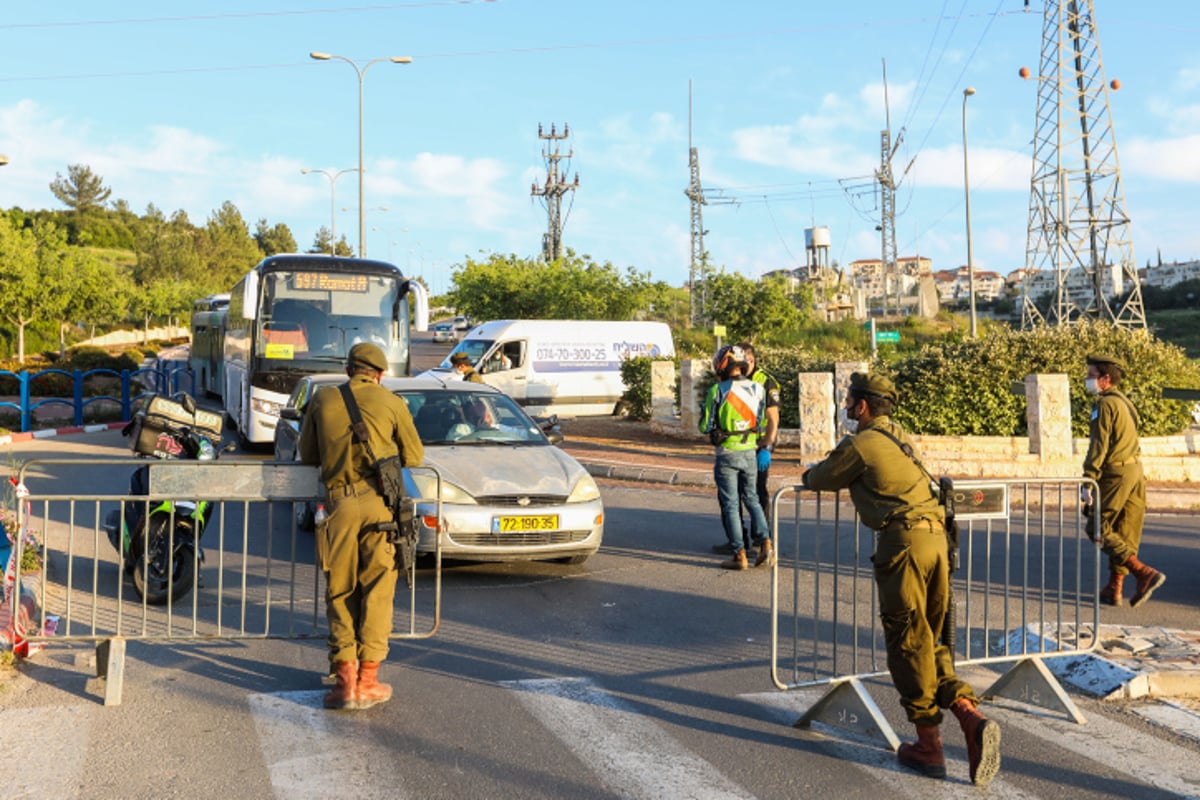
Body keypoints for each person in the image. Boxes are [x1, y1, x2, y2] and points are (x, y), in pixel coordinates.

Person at [802, 372, 1000, 787]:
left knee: (907, 640)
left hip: (904, 543)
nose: (847, 407)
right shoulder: (900, 439)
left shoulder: (862, 444)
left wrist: (807, 474)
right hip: (935, 542)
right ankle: (968, 713)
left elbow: (820, 478)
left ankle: (929, 746)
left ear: (862, 406)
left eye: (850, 400)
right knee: (930, 636)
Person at [299, 342, 425, 711]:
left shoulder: (323, 399)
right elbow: (415, 456)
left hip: (339, 502)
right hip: (381, 506)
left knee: (340, 589)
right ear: (379, 374)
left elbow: (308, 455)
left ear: (349, 368)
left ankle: (345, 683)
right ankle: (368, 681)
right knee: (377, 590)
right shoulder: (392, 402)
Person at [1082, 353, 1165, 607]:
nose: (1087, 380)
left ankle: (1142, 572)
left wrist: (1088, 481)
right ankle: (1114, 587)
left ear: (1106, 379)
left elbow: (1099, 445)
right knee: (1125, 530)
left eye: (1091, 375)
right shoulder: (1126, 403)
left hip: (1116, 473)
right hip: (1135, 471)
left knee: (1097, 525)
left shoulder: (1105, 404)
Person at [698, 345, 770, 570]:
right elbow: (760, 423)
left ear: (721, 365)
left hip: (727, 453)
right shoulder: (759, 389)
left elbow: (704, 426)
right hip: (750, 450)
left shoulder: (717, 390)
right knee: (752, 498)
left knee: (731, 504)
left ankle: (740, 554)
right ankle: (766, 543)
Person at [712, 342, 780, 567]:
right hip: (749, 448)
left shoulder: (764, 382)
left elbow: (772, 418)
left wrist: (767, 448)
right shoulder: (747, 385)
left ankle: (751, 546)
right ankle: (748, 540)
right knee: (745, 498)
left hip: (751, 449)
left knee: (754, 496)